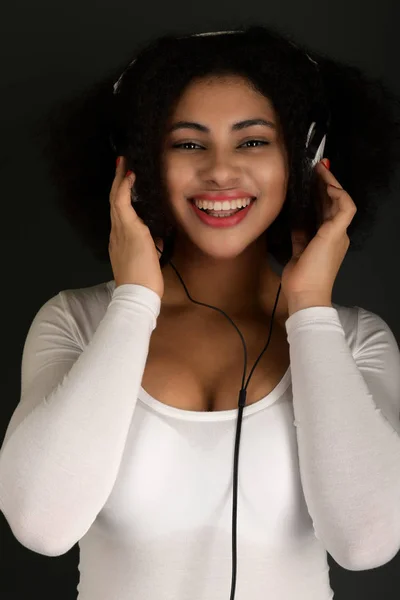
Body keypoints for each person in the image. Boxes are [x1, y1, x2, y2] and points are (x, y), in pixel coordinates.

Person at [1, 23, 400, 600]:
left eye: (253, 141)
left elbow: (367, 543)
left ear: (306, 159)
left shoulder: (356, 340)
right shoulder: (77, 323)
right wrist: (134, 300)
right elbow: (42, 526)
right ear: (138, 165)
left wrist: (310, 308)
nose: (220, 170)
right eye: (188, 143)